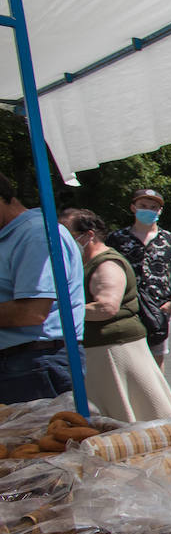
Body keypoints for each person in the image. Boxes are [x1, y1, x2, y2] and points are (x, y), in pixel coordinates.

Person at [61, 209, 171, 422]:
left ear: (88, 235)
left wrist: (59, 312)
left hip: (115, 351)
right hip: (100, 351)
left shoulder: (107, 263)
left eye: (67, 234)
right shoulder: (84, 263)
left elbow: (107, 307)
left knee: (135, 417)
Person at [0, 172, 85, 402]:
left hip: (36, 363)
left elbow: (32, 311)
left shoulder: (35, 234)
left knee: (47, 437)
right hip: (25, 362)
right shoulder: (13, 236)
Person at [108, 188, 171, 371]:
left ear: (160, 211)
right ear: (133, 207)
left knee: (156, 360)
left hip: (158, 309)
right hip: (126, 309)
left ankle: (155, 399)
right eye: (143, 206)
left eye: (153, 207)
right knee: (126, 361)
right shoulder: (117, 239)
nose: (148, 210)